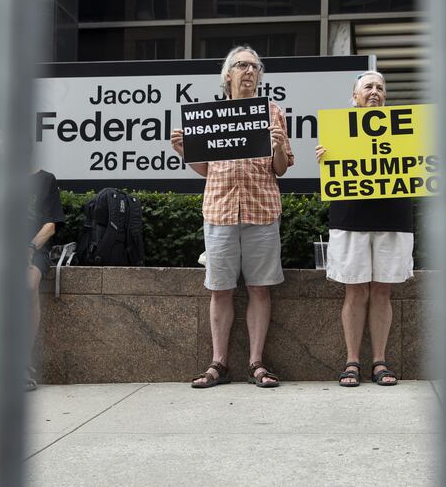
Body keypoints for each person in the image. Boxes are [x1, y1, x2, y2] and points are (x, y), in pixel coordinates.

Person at [170, 45, 294, 388]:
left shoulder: (273, 113)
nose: (249, 71)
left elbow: (281, 170)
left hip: (262, 209)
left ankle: (256, 363)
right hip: (220, 209)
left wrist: (279, 146)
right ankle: (219, 363)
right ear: (228, 74)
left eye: (254, 67)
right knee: (220, 290)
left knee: (259, 288)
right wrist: (184, 151)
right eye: (241, 65)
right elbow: (206, 169)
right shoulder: (210, 115)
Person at [315, 71, 413, 387]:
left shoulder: (405, 131)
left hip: (392, 218)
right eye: (368, 87)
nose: (375, 91)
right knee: (355, 289)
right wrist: (325, 158)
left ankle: (380, 362)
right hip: (350, 219)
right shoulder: (338, 129)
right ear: (355, 95)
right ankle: (352, 362)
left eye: (380, 87)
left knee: (383, 290)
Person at [0, 170, 65, 393]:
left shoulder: (45, 179)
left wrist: (29, 248)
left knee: (27, 288)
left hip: (31, 247)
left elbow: (50, 225)